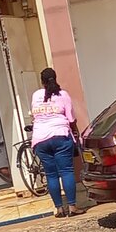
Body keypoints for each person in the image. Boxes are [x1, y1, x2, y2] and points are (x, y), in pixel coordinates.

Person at [31, 68, 83, 218]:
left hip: (40, 139)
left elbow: (34, 115)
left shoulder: (36, 95)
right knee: (66, 171)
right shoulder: (63, 95)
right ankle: (72, 207)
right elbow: (71, 119)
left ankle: (59, 209)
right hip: (60, 136)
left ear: (42, 81)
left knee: (51, 175)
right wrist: (75, 133)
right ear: (55, 78)